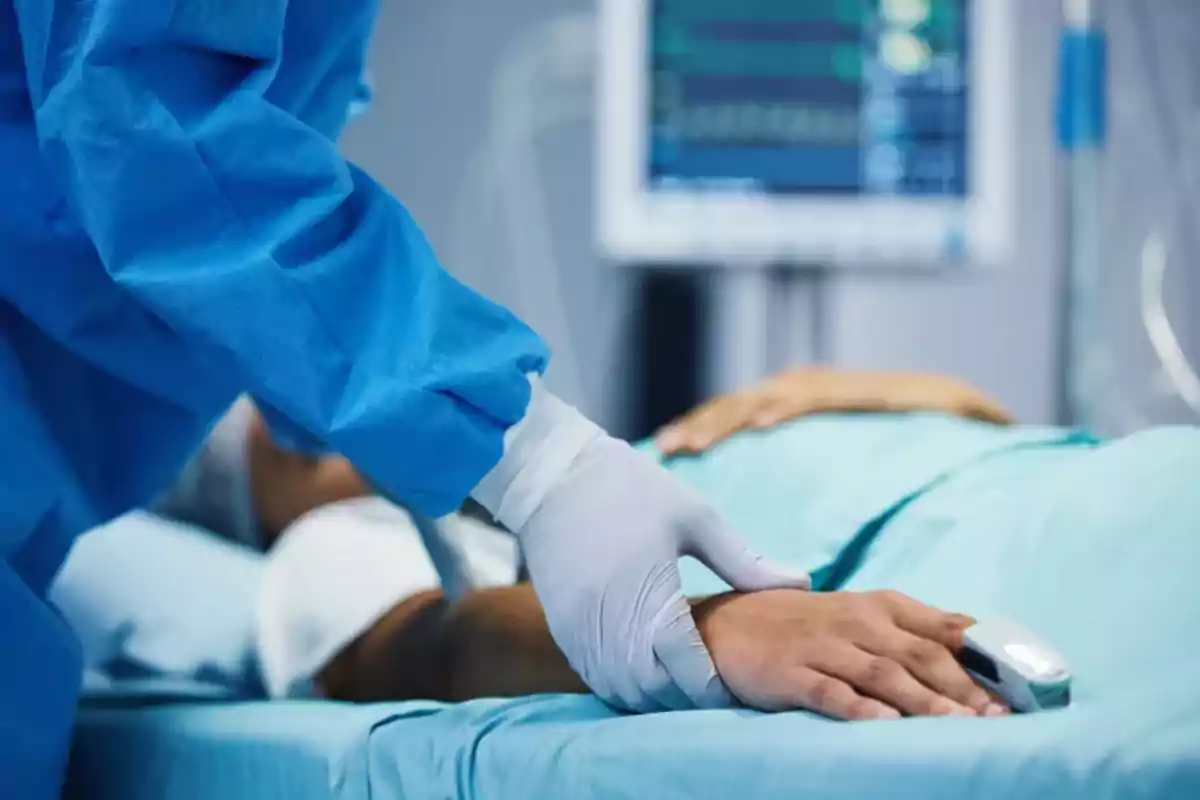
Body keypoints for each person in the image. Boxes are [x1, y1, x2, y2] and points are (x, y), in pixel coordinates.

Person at [1, 3, 804, 793]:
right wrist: (530, 464)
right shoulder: (315, 555)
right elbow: (151, 121)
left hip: (112, 413)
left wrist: (463, 444)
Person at [54, 369, 1017, 721]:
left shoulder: (591, 481)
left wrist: (917, 400)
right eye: (297, 446)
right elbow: (437, 641)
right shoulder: (339, 547)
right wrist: (702, 631)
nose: (344, 425)